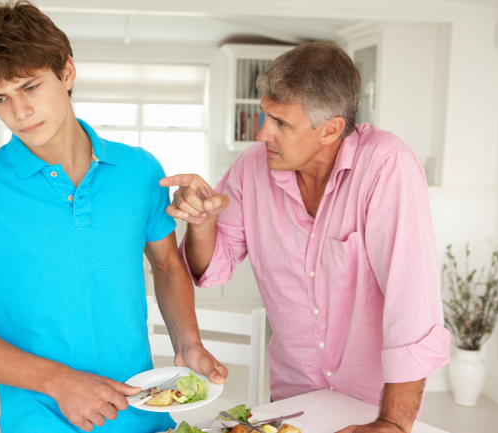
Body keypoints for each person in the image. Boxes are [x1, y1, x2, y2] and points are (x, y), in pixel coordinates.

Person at [0, 1, 227, 432]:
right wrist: (58, 382)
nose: (20, 113)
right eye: (0, 98)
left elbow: (165, 264)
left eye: (30, 87)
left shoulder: (140, 170)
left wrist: (188, 342)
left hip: (144, 414)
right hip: (40, 421)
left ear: (66, 72)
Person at [161, 41, 450, 433]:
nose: (262, 133)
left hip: (373, 404)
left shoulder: (386, 165)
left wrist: (394, 424)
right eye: (264, 115)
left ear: (330, 130)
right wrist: (202, 223)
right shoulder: (250, 169)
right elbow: (211, 270)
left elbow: (411, 305)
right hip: (292, 399)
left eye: (281, 123)